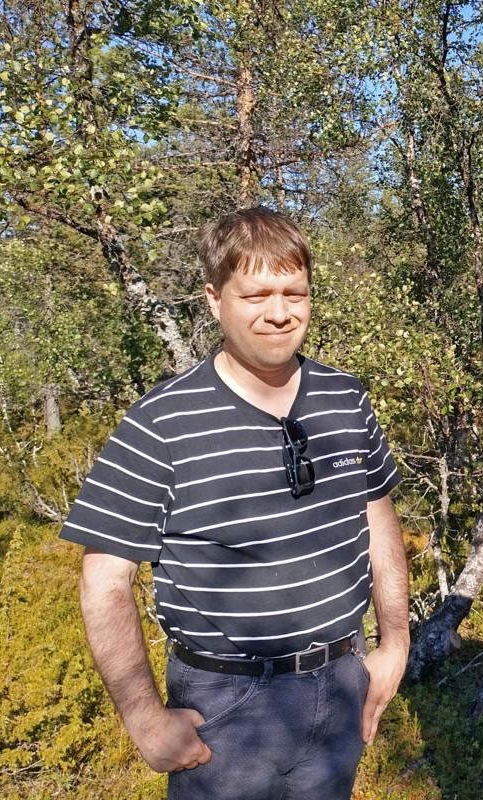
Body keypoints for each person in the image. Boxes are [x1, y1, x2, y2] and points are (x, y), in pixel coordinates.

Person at [59, 206, 410, 799]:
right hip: (227, 708)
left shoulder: (345, 398)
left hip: (341, 682)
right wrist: (144, 719)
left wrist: (394, 644)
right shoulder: (163, 422)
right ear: (214, 299)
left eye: (293, 292)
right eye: (256, 295)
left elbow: (377, 518)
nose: (279, 312)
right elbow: (105, 580)